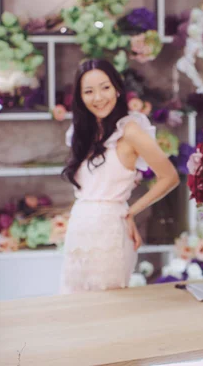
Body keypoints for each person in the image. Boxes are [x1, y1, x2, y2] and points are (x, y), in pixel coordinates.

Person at [59, 58, 179, 293]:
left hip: (110, 232)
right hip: (78, 228)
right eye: (89, 91)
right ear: (81, 97)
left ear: (117, 88)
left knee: (107, 309)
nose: (98, 97)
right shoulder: (83, 132)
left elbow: (169, 176)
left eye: (105, 87)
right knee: (73, 306)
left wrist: (129, 213)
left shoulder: (130, 130)